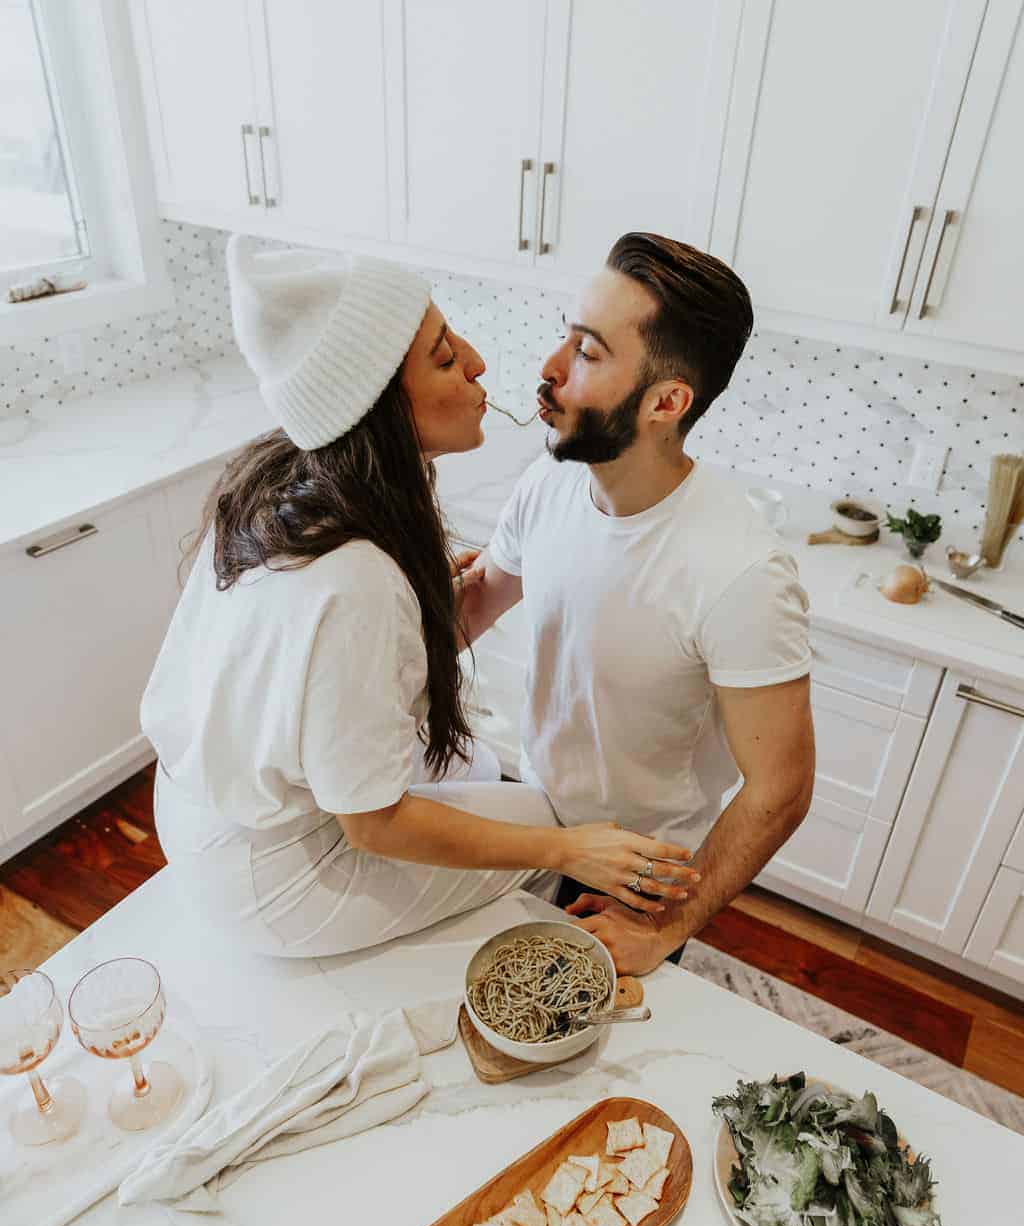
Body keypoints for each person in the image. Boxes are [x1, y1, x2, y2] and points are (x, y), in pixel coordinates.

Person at [141, 236, 696, 958]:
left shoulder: (292, 474)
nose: (478, 362)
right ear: (374, 405)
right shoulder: (353, 578)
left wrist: (435, 609)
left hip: (195, 805)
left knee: (483, 778)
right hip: (269, 876)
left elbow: (327, 672)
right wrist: (566, 851)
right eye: (442, 356)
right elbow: (372, 824)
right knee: (548, 825)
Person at [458, 232, 816, 975]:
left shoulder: (741, 572)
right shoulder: (551, 479)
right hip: (533, 814)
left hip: (640, 876)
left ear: (666, 402)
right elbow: (478, 601)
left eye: (588, 354)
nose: (549, 369)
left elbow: (781, 788)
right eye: (567, 338)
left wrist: (664, 928)